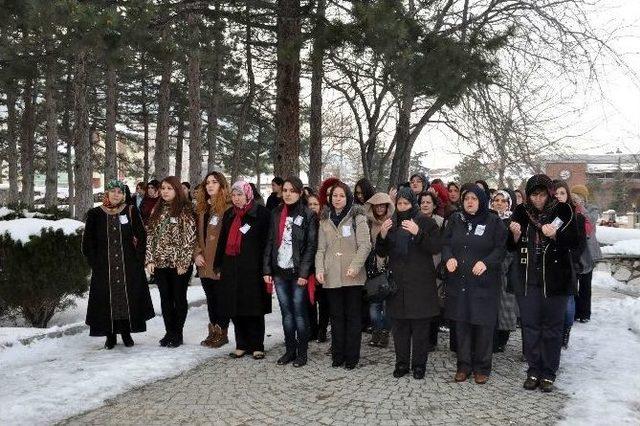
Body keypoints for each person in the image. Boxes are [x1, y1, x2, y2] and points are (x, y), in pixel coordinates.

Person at [508, 174, 579, 393]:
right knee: (530, 327)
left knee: (552, 328)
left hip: (555, 280)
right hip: (528, 279)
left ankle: (549, 372)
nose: (538, 199)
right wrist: (515, 236)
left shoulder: (563, 211)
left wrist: (557, 235)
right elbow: (509, 247)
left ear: (549, 194)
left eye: (541, 194)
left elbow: (576, 243)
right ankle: (533, 369)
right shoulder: (521, 212)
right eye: (533, 195)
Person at [442, 186, 507, 385]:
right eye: (466, 198)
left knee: (483, 326)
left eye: (474, 198)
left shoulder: (493, 221)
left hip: (484, 284)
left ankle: (482, 367)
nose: (470, 202)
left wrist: (486, 262)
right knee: (461, 324)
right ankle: (463, 365)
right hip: (459, 281)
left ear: (481, 201)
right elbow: (445, 244)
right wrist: (449, 258)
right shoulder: (455, 219)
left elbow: (500, 249)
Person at [376, 188, 442, 379]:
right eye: (400, 204)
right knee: (399, 327)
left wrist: (418, 233)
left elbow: (436, 247)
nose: (403, 207)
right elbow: (381, 252)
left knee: (420, 328)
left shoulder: (426, 221)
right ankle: (402, 363)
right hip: (398, 284)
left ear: (413, 203)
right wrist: (382, 235)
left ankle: (419, 365)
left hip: (420, 283)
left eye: (406, 203)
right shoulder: (393, 222)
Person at [82, 180, 155, 349]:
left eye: (120, 192)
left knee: (127, 298)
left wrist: (138, 259)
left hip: (128, 266)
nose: (117, 194)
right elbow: (88, 242)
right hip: (104, 267)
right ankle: (110, 335)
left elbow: (142, 236)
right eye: (113, 191)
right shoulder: (95, 213)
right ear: (106, 193)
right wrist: (95, 263)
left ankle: (127, 333)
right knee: (107, 301)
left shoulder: (130, 211)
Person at [315, 181, 371, 369]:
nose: (337, 199)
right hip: (332, 275)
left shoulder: (358, 217)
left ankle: (351, 357)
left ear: (347, 198)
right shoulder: (324, 219)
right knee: (336, 317)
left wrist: (355, 266)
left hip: (352, 275)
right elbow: (321, 249)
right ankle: (337, 355)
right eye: (334, 196)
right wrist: (320, 269)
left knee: (353, 317)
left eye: (341, 196)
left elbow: (365, 245)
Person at [264, 176, 318, 367]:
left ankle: (302, 353)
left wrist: (304, 273)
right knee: (286, 314)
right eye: (285, 190)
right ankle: (290, 350)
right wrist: (267, 269)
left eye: (291, 190)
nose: (287, 194)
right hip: (280, 272)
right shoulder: (277, 212)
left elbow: (311, 246)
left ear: (300, 192)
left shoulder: (308, 215)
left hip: (298, 274)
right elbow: (270, 242)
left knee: (299, 313)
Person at [215, 181, 272, 360]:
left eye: (239, 194)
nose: (236, 198)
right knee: (236, 307)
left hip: (253, 269)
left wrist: (267, 268)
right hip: (232, 267)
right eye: (233, 195)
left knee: (254, 308)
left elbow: (267, 243)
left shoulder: (262, 214)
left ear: (248, 194)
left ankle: (257, 345)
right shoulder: (229, 214)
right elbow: (222, 241)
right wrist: (218, 265)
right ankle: (241, 344)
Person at [145, 176, 197, 348]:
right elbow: (150, 236)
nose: (165, 191)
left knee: (179, 298)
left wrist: (184, 261)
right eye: (163, 188)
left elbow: (189, 238)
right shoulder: (157, 209)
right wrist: (149, 259)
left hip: (179, 265)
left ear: (176, 190)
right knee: (165, 299)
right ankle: (169, 332)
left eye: (169, 188)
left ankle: (178, 333)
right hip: (160, 263)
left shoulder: (186, 208)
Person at [194, 171, 232, 348]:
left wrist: (224, 262)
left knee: (221, 298)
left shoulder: (228, 208)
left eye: (214, 182)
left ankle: (222, 332)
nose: (210, 185)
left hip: (220, 264)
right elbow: (195, 235)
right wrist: (196, 254)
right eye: (207, 182)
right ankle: (213, 331)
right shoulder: (202, 208)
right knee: (211, 298)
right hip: (204, 263)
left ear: (222, 185)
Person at [553, 180, 589, 349]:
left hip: (568, 266)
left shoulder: (577, 218)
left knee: (567, 304)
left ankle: (566, 330)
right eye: (555, 193)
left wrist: (569, 257)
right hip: (549, 265)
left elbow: (581, 244)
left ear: (567, 195)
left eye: (562, 193)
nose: (558, 197)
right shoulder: (546, 217)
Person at [364, 192, 395, 348]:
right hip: (373, 268)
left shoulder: (393, 222)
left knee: (387, 304)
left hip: (389, 268)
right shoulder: (367, 223)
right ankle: (376, 330)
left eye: (383, 205)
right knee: (374, 303)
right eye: (377, 205)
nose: (380, 208)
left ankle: (385, 333)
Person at [490, 190, 519, 353]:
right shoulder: (488, 218)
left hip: (507, 266)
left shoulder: (512, 221)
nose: (499, 203)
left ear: (509, 203)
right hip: (491, 265)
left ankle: (503, 337)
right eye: (496, 200)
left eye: (503, 201)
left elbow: (515, 245)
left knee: (505, 303)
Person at [570, 184, 601, 323]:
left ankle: (585, 314)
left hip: (588, 252)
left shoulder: (592, 208)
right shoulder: (571, 209)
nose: (576, 199)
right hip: (576, 250)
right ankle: (575, 312)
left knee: (586, 284)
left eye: (579, 196)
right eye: (574, 196)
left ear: (584, 197)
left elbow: (592, 220)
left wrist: (581, 207)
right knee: (573, 283)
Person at [418, 191, 445, 350]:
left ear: (434, 205)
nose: (425, 205)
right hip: (418, 266)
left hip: (435, 263)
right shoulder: (414, 220)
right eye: (423, 202)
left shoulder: (441, 222)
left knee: (433, 303)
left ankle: (431, 339)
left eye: (428, 202)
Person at [305, 193, 330, 342]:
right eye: (310, 204)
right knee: (310, 300)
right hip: (309, 267)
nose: (313, 207)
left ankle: (322, 329)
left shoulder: (325, 222)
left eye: (315, 204)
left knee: (324, 301)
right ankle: (312, 329)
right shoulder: (304, 221)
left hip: (323, 265)